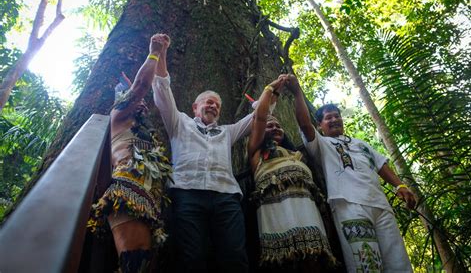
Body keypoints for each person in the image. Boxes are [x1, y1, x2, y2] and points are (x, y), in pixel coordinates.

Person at [286, 74, 416, 273]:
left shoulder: (360, 144)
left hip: (381, 206)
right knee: (366, 264)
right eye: (328, 118)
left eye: (337, 115)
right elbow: (304, 125)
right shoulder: (322, 143)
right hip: (348, 205)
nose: (334, 119)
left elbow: (381, 165)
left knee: (398, 262)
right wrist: (297, 92)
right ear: (320, 125)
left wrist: (400, 185)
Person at [152, 36, 252, 273]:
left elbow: (256, 118)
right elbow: (162, 89)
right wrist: (161, 53)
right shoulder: (179, 123)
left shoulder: (227, 132)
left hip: (226, 197)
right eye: (208, 102)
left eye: (217, 105)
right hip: (188, 194)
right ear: (195, 107)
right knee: (192, 257)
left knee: (235, 257)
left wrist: (271, 95)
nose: (213, 106)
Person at [88, 33, 173, 273]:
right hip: (128, 190)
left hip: (150, 199)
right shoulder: (119, 114)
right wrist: (155, 52)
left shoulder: (146, 131)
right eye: (137, 100)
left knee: (148, 262)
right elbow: (141, 87)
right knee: (135, 263)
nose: (143, 103)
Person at [247, 75, 336, 272]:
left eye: (278, 125)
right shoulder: (256, 152)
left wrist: (297, 92)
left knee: (315, 259)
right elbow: (260, 117)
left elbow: (305, 125)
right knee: (283, 263)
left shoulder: (296, 154)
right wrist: (271, 87)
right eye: (270, 125)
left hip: (308, 213)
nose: (275, 127)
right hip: (276, 216)